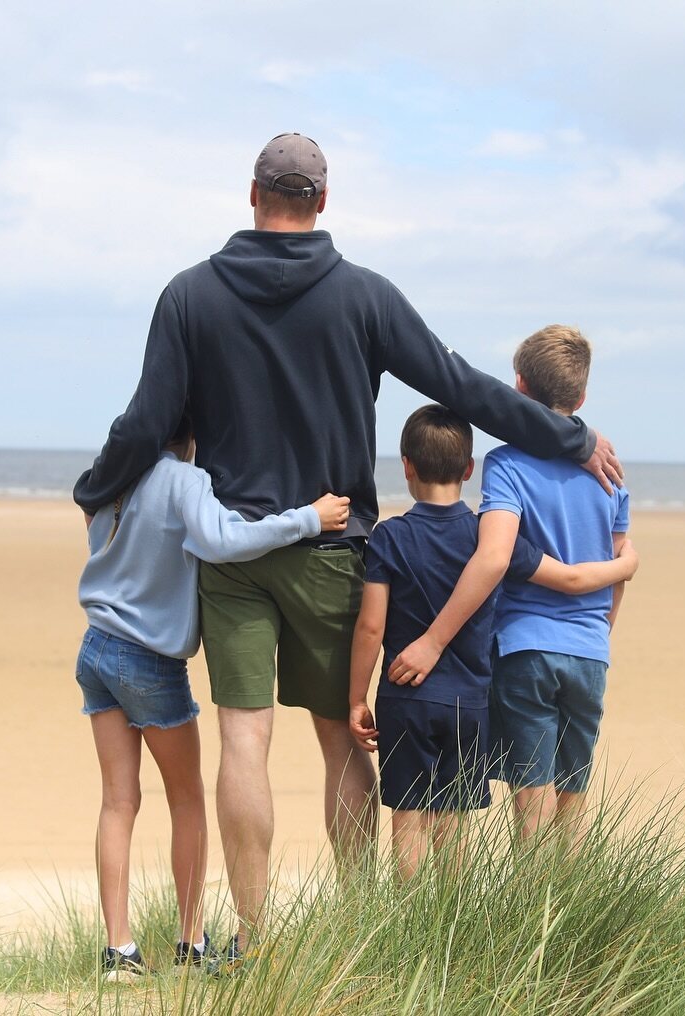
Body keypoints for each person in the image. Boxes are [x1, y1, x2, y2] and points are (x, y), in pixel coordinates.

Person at [73, 133, 623, 968]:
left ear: (252, 194)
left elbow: (149, 423)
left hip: (234, 555)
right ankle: (363, 932)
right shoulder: (364, 296)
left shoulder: (189, 296)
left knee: (244, 742)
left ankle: (252, 944)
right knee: (340, 738)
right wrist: (567, 436)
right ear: (323, 203)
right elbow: (462, 384)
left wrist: (95, 487)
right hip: (335, 547)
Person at [75, 410, 350, 979]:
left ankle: (118, 951)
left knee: (117, 802)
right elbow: (224, 539)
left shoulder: (110, 478)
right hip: (148, 660)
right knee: (187, 800)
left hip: (96, 648)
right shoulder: (182, 479)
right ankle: (191, 941)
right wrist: (307, 519)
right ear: (192, 433)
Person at [347, 405, 638, 879]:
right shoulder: (490, 538)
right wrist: (624, 567)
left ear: (406, 465)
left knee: (409, 819)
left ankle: (409, 928)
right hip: (471, 701)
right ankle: (451, 928)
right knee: (455, 822)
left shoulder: (390, 536)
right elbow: (565, 576)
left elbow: (371, 627)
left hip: (405, 698)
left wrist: (357, 697)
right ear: (468, 469)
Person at [385, 326, 629, 848]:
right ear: (581, 396)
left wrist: (433, 640)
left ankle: (530, 921)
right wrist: (598, 633)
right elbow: (619, 565)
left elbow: (494, 557)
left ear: (516, 389)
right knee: (574, 796)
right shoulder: (611, 473)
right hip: (590, 652)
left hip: (526, 650)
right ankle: (570, 915)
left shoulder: (508, 464)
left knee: (532, 800)